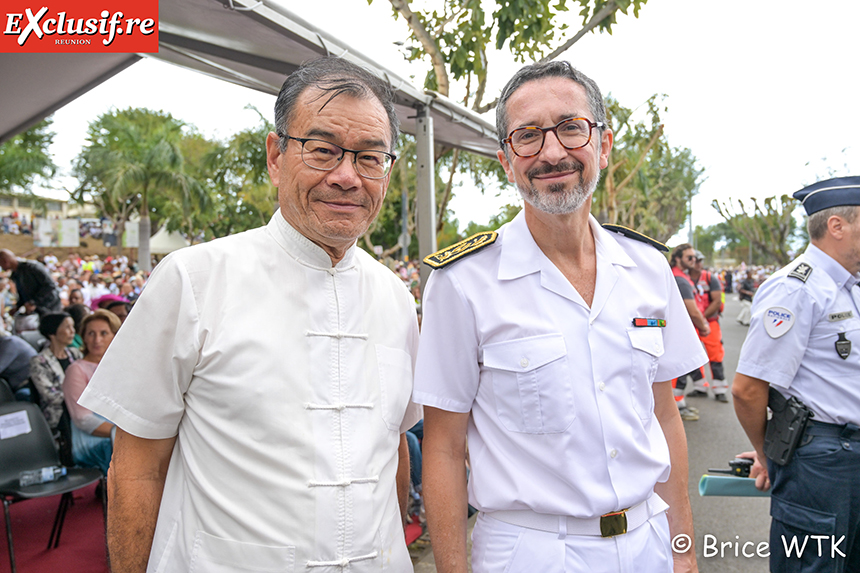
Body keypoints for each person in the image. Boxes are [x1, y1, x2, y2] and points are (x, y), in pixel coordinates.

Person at [78, 56, 421, 572]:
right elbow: (136, 469)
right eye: (324, 151)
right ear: (276, 155)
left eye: (370, 158)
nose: (348, 177)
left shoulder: (396, 298)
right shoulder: (193, 280)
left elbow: (393, 452)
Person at [413, 61, 705, 573]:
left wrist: (683, 552)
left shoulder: (647, 268)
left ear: (604, 145)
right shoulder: (462, 282)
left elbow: (663, 415)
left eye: (571, 128)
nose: (551, 153)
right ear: (506, 160)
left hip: (649, 540)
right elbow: (442, 446)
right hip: (530, 551)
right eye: (527, 136)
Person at [733, 176, 860, 572]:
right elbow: (748, 389)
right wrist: (768, 453)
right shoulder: (797, 289)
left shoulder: (848, 287)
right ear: (837, 226)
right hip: (822, 461)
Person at [64, 309, 118, 474]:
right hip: (93, 440)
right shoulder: (76, 370)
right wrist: (122, 434)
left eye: (103, 333)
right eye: (91, 333)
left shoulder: (121, 366)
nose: (97, 339)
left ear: (115, 336)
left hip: (120, 435)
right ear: (84, 337)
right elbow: (82, 419)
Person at [669, 243, 710, 420]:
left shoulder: (679, 277)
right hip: (679, 332)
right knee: (679, 372)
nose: (694, 260)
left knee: (681, 372)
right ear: (678, 259)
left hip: (678, 330)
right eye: (689, 258)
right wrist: (704, 326)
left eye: (695, 257)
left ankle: (678, 405)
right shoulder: (680, 279)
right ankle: (676, 408)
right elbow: (692, 310)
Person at [30, 312, 83, 431]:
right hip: (59, 415)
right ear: (52, 332)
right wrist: (78, 398)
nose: (72, 331)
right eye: (67, 327)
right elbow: (50, 396)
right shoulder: (39, 361)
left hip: (81, 409)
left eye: (72, 326)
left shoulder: (75, 353)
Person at [687, 251, 728, 403]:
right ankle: (700, 386)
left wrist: (701, 318)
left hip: (710, 322)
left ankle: (720, 389)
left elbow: (717, 301)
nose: (698, 263)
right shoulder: (684, 278)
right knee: (692, 356)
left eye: (700, 260)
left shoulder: (711, 278)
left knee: (716, 355)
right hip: (693, 323)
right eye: (695, 260)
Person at [0, 248, 62, 315]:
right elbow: (23, 293)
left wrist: (33, 302)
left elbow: (50, 285)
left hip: (49, 306)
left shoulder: (32, 267)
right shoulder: (15, 274)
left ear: (5, 261)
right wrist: (18, 306)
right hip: (37, 309)